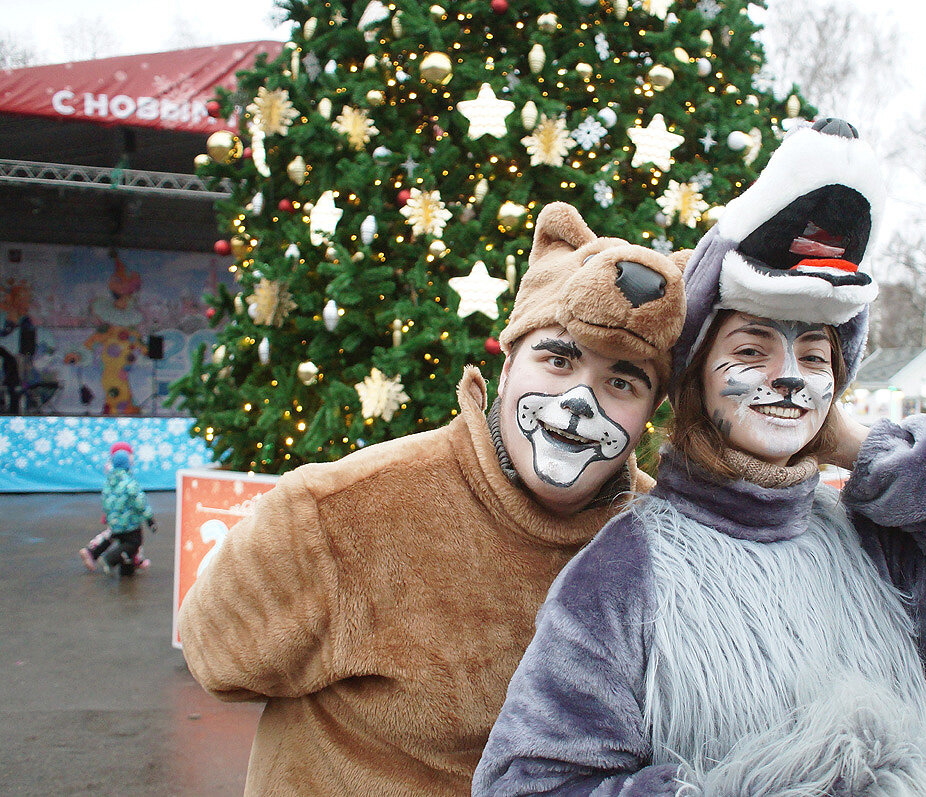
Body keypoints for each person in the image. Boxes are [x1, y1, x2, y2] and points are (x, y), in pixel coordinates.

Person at [474, 121, 926, 796]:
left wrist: (860, 447)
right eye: (752, 349)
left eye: (816, 356)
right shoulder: (622, 573)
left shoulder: (873, 551)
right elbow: (527, 782)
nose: (790, 377)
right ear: (697, 379)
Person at [177, 203, 689, 795]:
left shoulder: (660, 542)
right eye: (557, 359)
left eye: (622, 383)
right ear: (509, 361)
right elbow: (221, 658)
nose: (578, 401)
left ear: (650, 414)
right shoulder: (340, 512)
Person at [80, 442, 157, 576]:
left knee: (122, 541)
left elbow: (106, 500)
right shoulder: (129, 482)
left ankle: (128, 568)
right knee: (134, 542)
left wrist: (109, 515)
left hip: (115, 521)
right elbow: (140, 502)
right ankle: (110, 558)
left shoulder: (109, 481)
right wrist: (150, 519)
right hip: (130, 522)